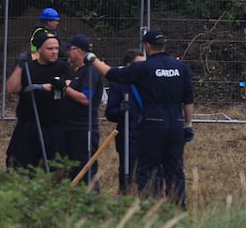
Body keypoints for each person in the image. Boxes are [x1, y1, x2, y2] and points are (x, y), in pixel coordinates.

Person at [86, 30, 195, 207]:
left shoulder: (144, 67)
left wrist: (92, 59)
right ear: (164, 45)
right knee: (175, 170)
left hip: (153, 124)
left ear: (147, 46)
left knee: (148, 169)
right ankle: (178, 211)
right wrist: (187, 125)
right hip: (175, 123)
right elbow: (188, 99)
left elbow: (112, 74)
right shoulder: (181, 68)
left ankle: (148, 209)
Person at [4, 34, 70, 170]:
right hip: (29, 125)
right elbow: (11, 88)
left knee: (55, 167)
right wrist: (20, 65)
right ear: (39, 49)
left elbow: (71, 83)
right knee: (21, 165)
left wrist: (58, 85)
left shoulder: (62, 67)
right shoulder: (29, 68)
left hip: (54, 126)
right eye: (50, 48)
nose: (54, 52)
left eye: (56, 48)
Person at [56, 34, 105, 184]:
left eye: (70, 49)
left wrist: (65, 88)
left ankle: (90, 200)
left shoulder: (90, 71)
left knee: (84, 170)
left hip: (83, 130)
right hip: (71, 128)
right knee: (72, 169)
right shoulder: (79, 72)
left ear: (79, 51)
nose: (68, 53)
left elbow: (86, 98)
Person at [104, 49, 147, 194]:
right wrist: (121, 110)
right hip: (128, 135)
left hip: (148, 132)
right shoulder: (119, 84)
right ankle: (125, 197)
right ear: (129, 66)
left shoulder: (149, 82)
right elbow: (110, 113)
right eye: (138, 64)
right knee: (127, 170)